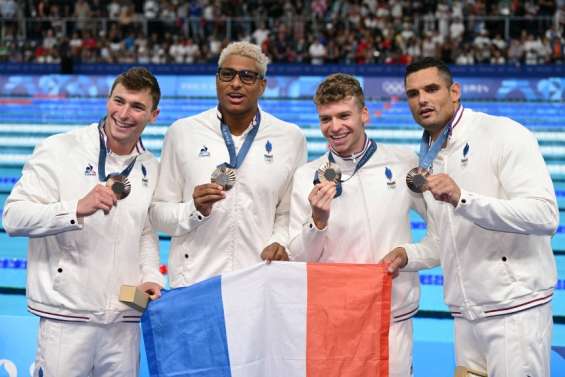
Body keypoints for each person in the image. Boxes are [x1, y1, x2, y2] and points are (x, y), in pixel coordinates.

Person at [384, 57, 558, 376]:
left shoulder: (502, 134)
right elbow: (441, 241)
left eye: (432, 88)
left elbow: (544, 215)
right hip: (465, 314)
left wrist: (463, 198)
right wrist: (405, 255)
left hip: (514, 312)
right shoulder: (430, 156)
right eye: (412, 93)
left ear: (455, 91)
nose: (422, 99)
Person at [3, 67, 163, 377]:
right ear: (107, 100)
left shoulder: (150, 167)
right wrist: (75, 208)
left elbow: (145, 232)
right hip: (66, 318)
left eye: (137, 106)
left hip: (123, 321)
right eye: (119, 101)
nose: (124, 113)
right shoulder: (60, 149)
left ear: (153, 115)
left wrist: (152, 276)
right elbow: (13, 217)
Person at [288, 73, 428, 377]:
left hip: (392, 317)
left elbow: (445, 232)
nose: (334, 127)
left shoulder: (403, 162)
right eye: (326, 119)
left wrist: (409, 255)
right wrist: (318, 222)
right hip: (333, 319)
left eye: (343, 115)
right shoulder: (306, 175)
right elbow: (298, 259)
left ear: (364, 114)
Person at [150, 41, 307, 288]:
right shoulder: (182, 132)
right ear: (217, 80)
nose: (235, 83)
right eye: (228, 74)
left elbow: (289, 213)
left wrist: (280, 242)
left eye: (247, 76)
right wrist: (193, 210)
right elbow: (158, 213)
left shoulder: (290, 138)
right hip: (194, 281)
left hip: (258, 281)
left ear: (262, 85)